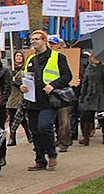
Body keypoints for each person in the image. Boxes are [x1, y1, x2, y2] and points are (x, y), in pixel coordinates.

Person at [20, 30, 72, 171]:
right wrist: (23, 87)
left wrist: (53, 85)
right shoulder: (31, 59)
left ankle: (51, 153)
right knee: (35, 131)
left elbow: (67, 76)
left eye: (37, 39)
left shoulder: (57, 57)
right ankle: (40, 160)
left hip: (49, 100)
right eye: (32, 40)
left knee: (45, 126)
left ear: (44, 41)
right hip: (32, 100)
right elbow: (26, 77)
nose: (34, 42)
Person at [78, 55, 104, 146]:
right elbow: (85, 83)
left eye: (97, 57)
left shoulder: (103, 66)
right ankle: (86, 137)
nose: (96, 58)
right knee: (88, 116)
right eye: (94, 57)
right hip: (91, 95)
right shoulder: (88, 68)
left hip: (102, 95)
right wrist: (82, 97)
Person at [48, 35, 72, 152]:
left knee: (64, 120)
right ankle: (55, 140)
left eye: (53, 43)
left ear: (59, 46)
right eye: (49, 43)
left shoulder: (60, 57)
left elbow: (67, 75)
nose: (51, 46)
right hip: (47, 94)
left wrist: (54, 85)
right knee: (52, 120)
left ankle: (64, 142)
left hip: (61, 93)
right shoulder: (39, 58)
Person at [6, 50, 32, 146]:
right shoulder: (9, 69)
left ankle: (29, 135)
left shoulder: (25, 69)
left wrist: (18, 83)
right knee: (12, 117)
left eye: (20, 56)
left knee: (21, 117)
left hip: (21, 96)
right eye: (17, 56)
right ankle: (12, 137)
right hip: (12, 96)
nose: (18, 58)